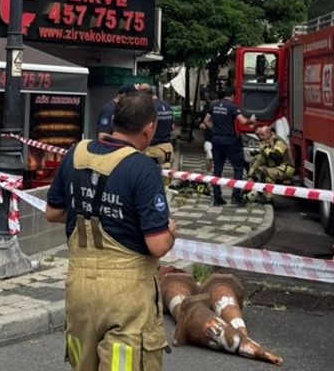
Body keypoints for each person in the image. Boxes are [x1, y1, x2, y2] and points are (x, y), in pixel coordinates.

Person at [46, 93, 177, 371]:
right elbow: (157, 245)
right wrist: (171, 231)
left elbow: (53, 213)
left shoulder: (75, 153)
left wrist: (93, 208)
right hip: (127, 293)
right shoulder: (142, 167)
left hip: (79, 287)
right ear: (150, 128)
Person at [203, 91, 255, 207]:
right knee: (238, 167)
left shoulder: (214, 105)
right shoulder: (233, 107)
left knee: (217, 168)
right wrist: (252, 120)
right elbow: (243, 121)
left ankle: (217, 197)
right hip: (230, 140)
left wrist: (215, 130)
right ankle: (236, 196)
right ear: (233, 96)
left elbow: (206, 121)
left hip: (216, 139)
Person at [247, 123, 295, 203]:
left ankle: (268, 198)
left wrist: (265, 148)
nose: (261, 137)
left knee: (267, 172)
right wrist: (251, 174)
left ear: (269, 133)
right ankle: (264, 195)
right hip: (277, 166)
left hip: (286, 168)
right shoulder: (267, 141)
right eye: (259, 135)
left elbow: (276, 157)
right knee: (260, 167)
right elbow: (260, 159)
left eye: (262, 135)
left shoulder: (278, 141)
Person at [140, 85, 175, 183]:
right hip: (168, 148)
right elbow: (172, 127)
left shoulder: (149, 107)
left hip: (153, 150)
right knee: (165, 182)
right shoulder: (167, 105)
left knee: (150, 182)